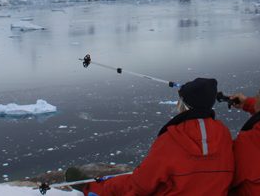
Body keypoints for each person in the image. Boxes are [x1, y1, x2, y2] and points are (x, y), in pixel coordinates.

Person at [80, 77, 234, 196]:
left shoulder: (172, 139)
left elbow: (140, 186)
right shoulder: (223, 134)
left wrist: (94, 187)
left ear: (183, 105)